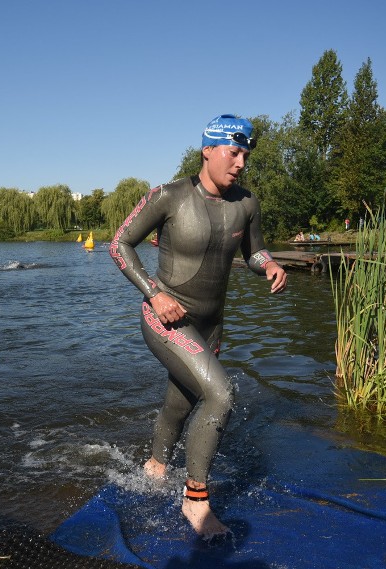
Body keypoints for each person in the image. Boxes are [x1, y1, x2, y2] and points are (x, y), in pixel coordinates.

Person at [109, 114, 287, 539]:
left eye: (245, 154)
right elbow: (119, 243)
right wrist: (154, 292)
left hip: (210, 327)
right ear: (207, 149)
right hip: (165, 317)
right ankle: (196, 501)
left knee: (183, 402)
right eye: (234, 151)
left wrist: (270, 264)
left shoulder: (247, 203)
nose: (241, 162)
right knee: (221, 394)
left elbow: (255, 251)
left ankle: (154, 467)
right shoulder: (168, 196)